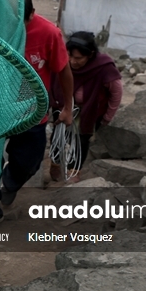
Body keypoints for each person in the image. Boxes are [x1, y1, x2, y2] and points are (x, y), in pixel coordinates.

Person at [0, 0, 73, 206]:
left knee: (28, 162)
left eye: (21, 24)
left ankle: (9, 185)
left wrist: (68, 107)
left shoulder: (49, 33)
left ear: (32, 14)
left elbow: (64, 70)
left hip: (33, 112)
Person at [49, 31, 123, 180]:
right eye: (69, 55)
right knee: (58, 137)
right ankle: (55, 164)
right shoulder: (62, 61)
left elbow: (116, 93)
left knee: (81, 141)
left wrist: (107, 117)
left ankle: (73, 172)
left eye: (78, 58)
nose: (72, 61)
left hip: (89, 111)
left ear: (90, 55)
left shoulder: (103, 67)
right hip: (63, 107)